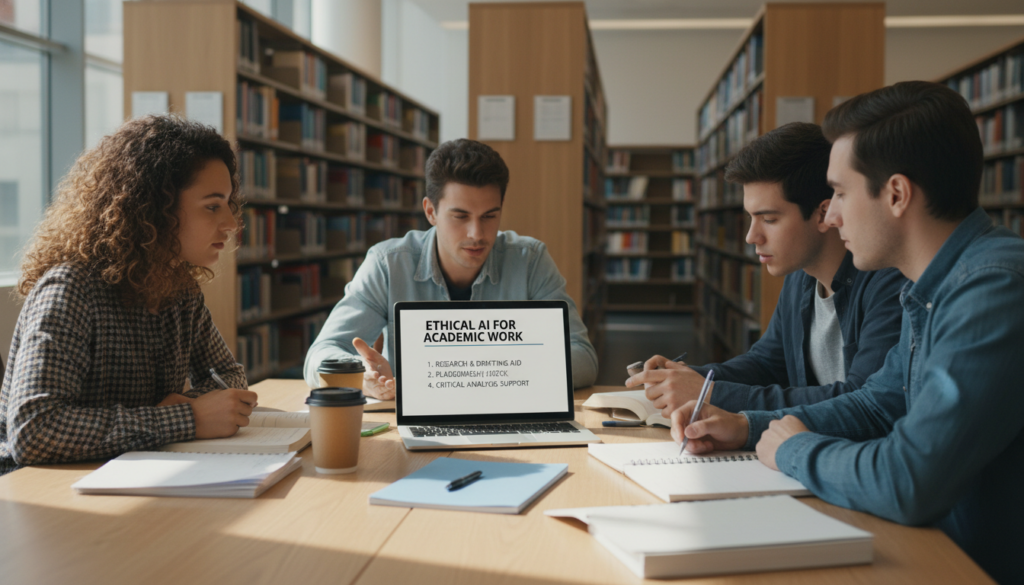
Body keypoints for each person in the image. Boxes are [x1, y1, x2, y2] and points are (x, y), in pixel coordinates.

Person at [671, 81, 1024, 584]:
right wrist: (748, 426)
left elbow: (910, 480)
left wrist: (795, 450)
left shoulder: (991, 290)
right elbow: (877, 403)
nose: (830, 216)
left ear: (896, 194)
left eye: (838, 193)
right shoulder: (935, 284)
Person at [0, 115, 257, 476]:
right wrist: (184, 419)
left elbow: (228, 376)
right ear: (155, 208)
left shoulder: (180, 290)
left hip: (134, 476)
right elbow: (34, 430)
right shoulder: (70, 290)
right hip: (41, 494)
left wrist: (182, 412)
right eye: (213, 205)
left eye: (229, 204)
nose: (231, 223)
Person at [627, 123, 905, 416]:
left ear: (824, 213)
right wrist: (687, 377)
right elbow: (767, 363)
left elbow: (863, 401)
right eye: (750, 218)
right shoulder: (801, 276)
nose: (751, 237)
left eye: (769, 219)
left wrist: (710, 392)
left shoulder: (890, 283)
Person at [304, 139, 598, 397]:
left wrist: (480, 373)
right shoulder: (387, 264)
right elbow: (320, 355)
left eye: (489, 216)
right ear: (431, 211)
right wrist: (362, 378)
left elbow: (583, 357)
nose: (477, 234)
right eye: (460, 216)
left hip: (505, 411)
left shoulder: (530, 260)